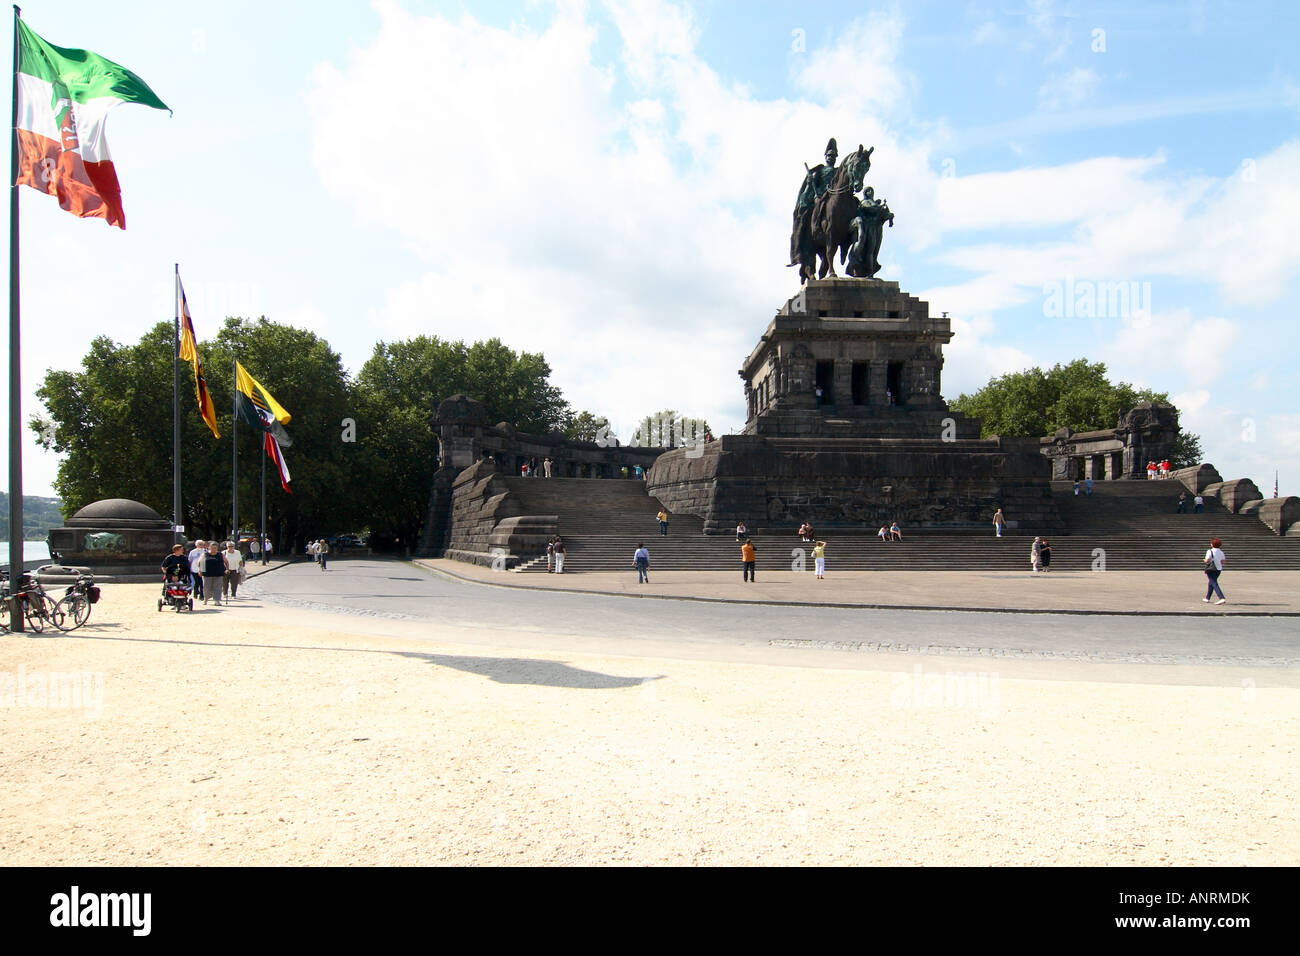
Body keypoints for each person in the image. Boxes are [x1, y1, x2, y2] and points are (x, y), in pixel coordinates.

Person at [1203, 537, 1226, 604]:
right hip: (1218, 569)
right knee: (1211, 583)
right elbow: (1223, 561)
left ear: (1212, 544)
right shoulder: (1221, 552)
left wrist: (1204, 560)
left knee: (1214, 583)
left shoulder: (1210, 551)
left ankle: (1221, 597)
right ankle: (1207, 598)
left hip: (1211, 569)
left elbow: (1207, 560)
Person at [202, 541, 225, 606]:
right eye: (212, 548)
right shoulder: (205, 554)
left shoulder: (220, 554)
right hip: (207, 573)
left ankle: (217, 600)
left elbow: (226, 561)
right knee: (206, 587)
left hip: (218, 573)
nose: (214, 549)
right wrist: (200, 571)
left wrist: (227, 569)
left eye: (215, 548)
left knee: (218, 587)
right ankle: (206, 599)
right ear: (209, 548)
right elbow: (200, 562)